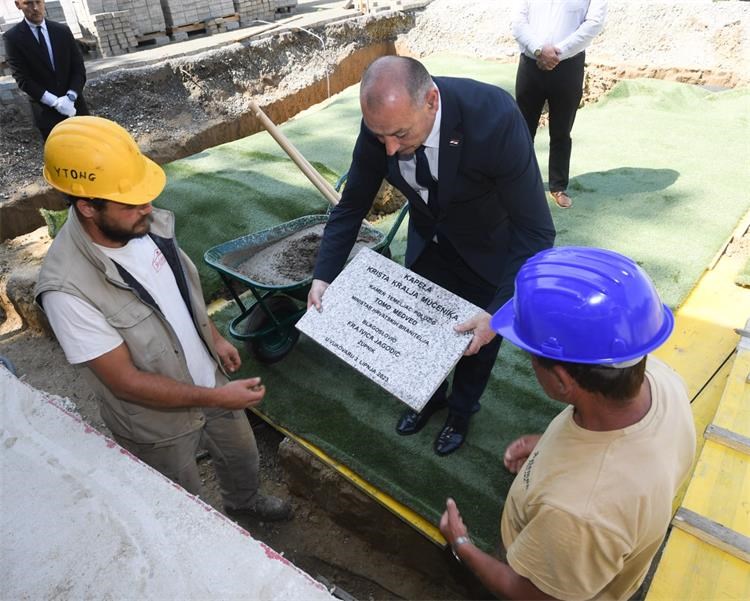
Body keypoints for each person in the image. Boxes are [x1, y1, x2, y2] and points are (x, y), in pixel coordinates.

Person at [35, 116, 291, 522]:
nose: (148, 208)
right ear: (86, 206)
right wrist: (217, 398)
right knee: (180, 505)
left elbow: (181, 292)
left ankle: (245, 504)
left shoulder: (143, 225)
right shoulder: (67, 291)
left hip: (210, 384)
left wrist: (215, 340)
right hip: (156, 425)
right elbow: (126, 383)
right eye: (131, 202)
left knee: (242, 455)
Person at [308, 56, 555, 456]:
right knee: (422, 330)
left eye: (400, 134)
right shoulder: (384, 125)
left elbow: (537, 231)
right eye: (379, 136)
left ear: (432, 102)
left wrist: (498, 312)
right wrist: (324, 275)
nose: (389, 148)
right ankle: (430, 396)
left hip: (487, 248)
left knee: (476, 342)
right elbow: (351, 206)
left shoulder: (494, 118)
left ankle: (461, 411)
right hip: (429, 241)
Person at [439, 246, 696, 600]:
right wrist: (550, 445)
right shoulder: (661, 378)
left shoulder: (578, 514)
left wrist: (462, 545)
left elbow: (531, 593)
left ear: (562, 380)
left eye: (532, 357)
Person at [512, 0, 607, 209]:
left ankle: (558, 186)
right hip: (531, 63)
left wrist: (558, 52)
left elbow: (594, 23)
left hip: (568, 66)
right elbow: (518, 21)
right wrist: (539, 50)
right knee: (522, 130)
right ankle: (518, 183)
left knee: (561, 131)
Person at [4, 0, 89, 140]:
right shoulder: (12, 38)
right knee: (61, 156)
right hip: (46, 112)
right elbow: (23, 79)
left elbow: (78, 69)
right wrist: (55, 102)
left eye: (38, 2)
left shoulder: (62, 31)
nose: (35, 8)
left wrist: (71, 96)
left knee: (90, 150)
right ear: (18, 5)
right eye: (28, 3)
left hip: (75, 107)